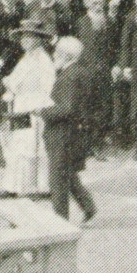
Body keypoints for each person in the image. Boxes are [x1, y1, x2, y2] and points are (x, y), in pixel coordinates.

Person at [37, 34, 96, 221]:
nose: (54, 55)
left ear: (66, 56)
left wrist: (42, 111)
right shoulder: (80, 72)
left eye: (57, 52)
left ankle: (60, 221)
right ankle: (88, 206)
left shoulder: (68, 76)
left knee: (58, 179)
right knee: (68, 173)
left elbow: (66, 109)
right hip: (74, 132)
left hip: (62, 133)